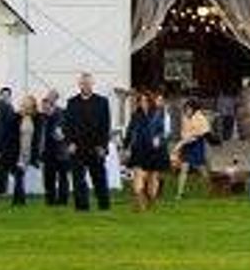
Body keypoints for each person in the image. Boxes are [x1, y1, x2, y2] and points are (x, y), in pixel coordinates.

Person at [63, 74, 116, 211]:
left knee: (99, 179)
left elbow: (106, 126)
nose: (85, 86)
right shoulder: (71, 102)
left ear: (92, 84)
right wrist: (69, 143)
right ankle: (82, 207)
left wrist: (103, 146)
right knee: (78, 180)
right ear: (79, 85)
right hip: (77, 147)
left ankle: (104, 206)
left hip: (96, 147)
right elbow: (67, 126)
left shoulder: (102, 101)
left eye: (88, 83)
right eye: (83, 83)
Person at [122, 90, 170, 206]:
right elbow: (130, 131)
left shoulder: (159, 114)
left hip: (155, 149)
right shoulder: (135, 115)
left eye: (146, 100)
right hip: (139, 148)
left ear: (150, 101)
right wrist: (125, 147)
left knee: (153, 177)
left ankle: (151, 200)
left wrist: (159, 138)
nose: (143, 103)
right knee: (138, 174)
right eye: (141, 101)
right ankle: (139, 200)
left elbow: (163, 131)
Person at [0, 88, 23, 202]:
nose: (6, 97)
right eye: (4, 95)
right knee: (0, 168)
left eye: (7, 95)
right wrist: (0, 147)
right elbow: (5, 128)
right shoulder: (7, 108)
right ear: (0, 95)